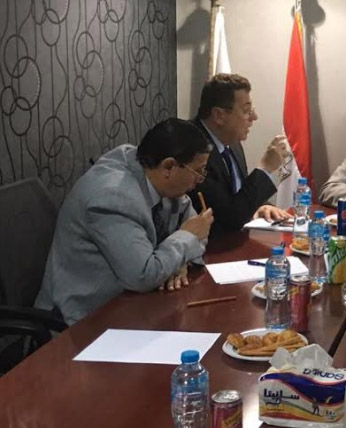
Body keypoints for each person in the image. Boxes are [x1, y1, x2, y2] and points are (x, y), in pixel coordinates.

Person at [35, 118, 215, 324]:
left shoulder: (156, 175)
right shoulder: (113, 198)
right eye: (198, 171)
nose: (200, 180)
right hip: (84, 321)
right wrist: (186, 240)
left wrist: (180, 261)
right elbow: (144, 275)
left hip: (135, 306)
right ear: (169, 167)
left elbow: (197, 225)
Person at [189, 73, 291, 237]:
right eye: (246, 111)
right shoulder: (194, 150)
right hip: (211, 246)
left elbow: (239, 195)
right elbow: (228, 218)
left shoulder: (232, 142)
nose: (254, 117)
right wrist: (264, 169)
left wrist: (261, 206)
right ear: (219, 115)